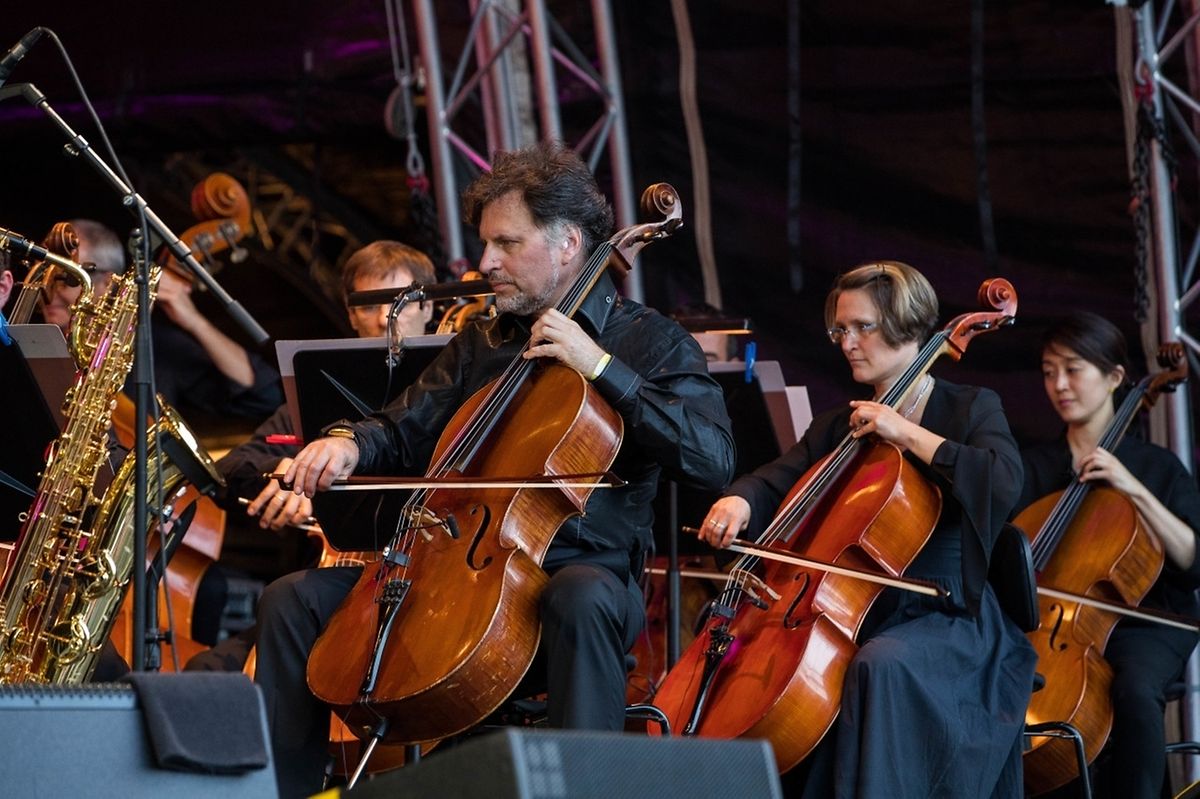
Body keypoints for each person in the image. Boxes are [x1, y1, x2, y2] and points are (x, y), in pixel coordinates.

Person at [256, 141, 735, 797]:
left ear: (568, 244)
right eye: (487, 245)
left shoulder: (649, 341)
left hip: (579, 570)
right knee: (291, 601)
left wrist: (599, 368)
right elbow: (407, 423)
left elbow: (710, 457)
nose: (486, 263)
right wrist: (348, 443)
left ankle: (584, 789)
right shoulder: (486, 338)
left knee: (582, 596)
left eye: (506, 244)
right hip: (452, 566)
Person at [698, 260, 1036, 798]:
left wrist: (905, 433)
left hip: (943, 616)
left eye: (862, 327)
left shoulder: (970, 407)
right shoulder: (839, 423)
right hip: (853, 607)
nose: (847, 342)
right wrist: (740, 499)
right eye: (840, 330)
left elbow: (1002, 483)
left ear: (908, 325)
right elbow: (778, 477)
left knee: (879, 665)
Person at [1016, 311, 1200, 799]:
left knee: (1134, 690)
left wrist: (1130, 487)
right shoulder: (1036, 468)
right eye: (1049, 370)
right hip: (1054, 624)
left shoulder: (1157, 468)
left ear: (1115, 377)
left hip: (1147, 620)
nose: (1059, 383)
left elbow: (1193, 558)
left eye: (1073, 368)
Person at [40, 218, 282, 420]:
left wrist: (195, 322)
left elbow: (264, 398)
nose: (49, 289)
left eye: (66, 277)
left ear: (108, 281)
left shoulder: (156, 347)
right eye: (44, 272)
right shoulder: (24, 343)